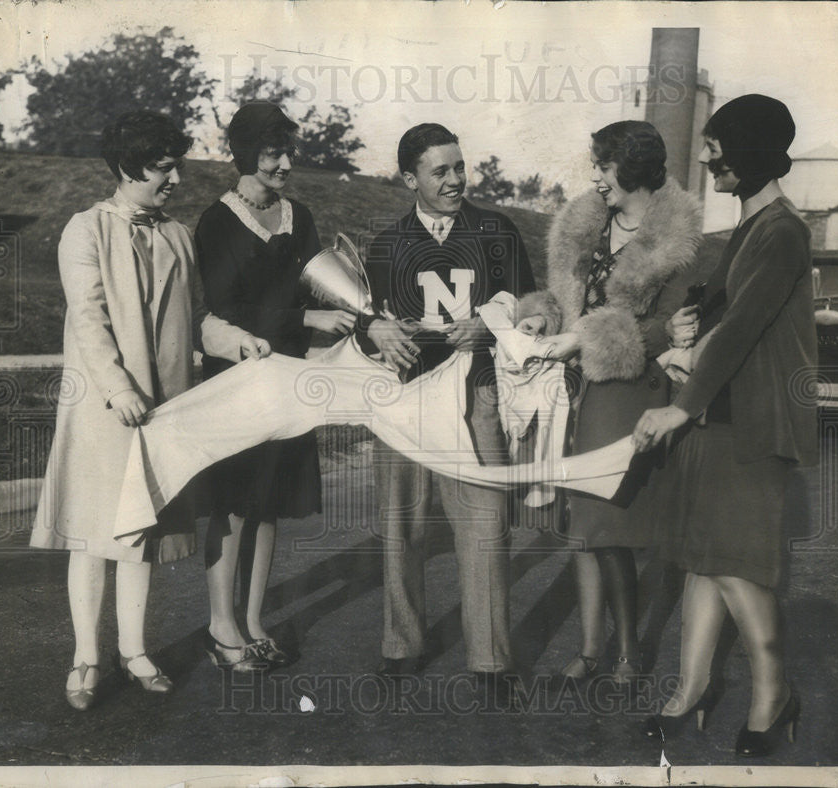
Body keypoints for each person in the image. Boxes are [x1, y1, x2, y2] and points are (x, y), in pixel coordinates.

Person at [30, 110, 270, 710]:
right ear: (127, 167)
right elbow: (89, 321)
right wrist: (118, 388)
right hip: (101, 410)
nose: (176, 180)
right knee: (93, 537)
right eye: (164, 168)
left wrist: (238, 341)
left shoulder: (178, 235)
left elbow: (200, 320)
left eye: (176, 166)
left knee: (140, 533)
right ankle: (86, 657)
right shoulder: (85, 230)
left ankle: (134, 651)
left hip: (160, 412)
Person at [633, 94, 816, 756]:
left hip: (752, 426)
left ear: (751, 151)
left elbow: (742, 332)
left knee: (739, 569)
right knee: (701, 563)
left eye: (717, 148)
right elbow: (723, 317)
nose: (706, 159)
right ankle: (693, 689)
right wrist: (685, 335)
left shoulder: (782, 231)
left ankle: (774, 698)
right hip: (720, 419)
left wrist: (678, 405)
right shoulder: (750, 224)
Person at [514, 120, 703, 683]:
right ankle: (592, 647)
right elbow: (564, 297)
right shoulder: (587, 225)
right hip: (571, 387)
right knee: (579, 526)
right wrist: (540, 315)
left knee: (607, 523)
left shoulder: (678, 245)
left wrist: (583, 340)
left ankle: (626, 652)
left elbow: (665, 330)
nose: (596, 177)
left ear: (634, 169)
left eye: (604, 165)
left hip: (626, 387)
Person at [357, 123, 535, 701]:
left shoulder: (496, 231)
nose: (456, 179)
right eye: (441, 170)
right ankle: (400, 645)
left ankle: (490, 661)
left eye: (460, 166)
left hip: (475, 394)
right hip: (404, 399)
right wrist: (375, 329)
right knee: (400, 528)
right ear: (410, 178)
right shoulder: (386, 243)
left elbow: (536, 309)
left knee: (484, 526)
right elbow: (363, 325)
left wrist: (491, 325)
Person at [195, 101, 354, 672]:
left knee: (268, 506)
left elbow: (320, 286)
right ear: (245, 154)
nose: (285, 162)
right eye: (272, 152)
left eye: (289, 151)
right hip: (236, 379)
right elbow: (226, 308)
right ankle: (221, 626)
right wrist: (304, 321)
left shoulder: (298, 215)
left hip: (286, 379)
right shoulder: (216, 222)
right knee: (234, 503)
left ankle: (254, 619)